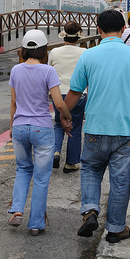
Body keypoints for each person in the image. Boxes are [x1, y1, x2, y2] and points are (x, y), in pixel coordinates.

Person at [66, 9, 130, 244]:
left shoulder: (88, 55)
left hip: (96, 127)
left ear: (99, 29)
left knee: (90, 169)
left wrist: (64, 116)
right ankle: (116, 229)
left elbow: (75, 91)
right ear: (124, 29)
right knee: (120, 180)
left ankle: (90, 211)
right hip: (126, 131)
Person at [8, 29, 72, 236]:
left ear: (24, 49)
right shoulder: (48, 71)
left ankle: (17, 210)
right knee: (42, 177)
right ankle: (35, 223)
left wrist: (12, 127)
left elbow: (13, 102)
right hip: (42, 128)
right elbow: (58, 102)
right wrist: (67, 116)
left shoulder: (16, 70)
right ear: (44, 49)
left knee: (23, 169)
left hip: (19, 127)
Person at [48, 21, 87, 173]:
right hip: (78, 94)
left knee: (58, 124)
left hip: (59, 94)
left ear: (64, 34)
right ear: (78, 36)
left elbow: (49, 70)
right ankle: (71, 162)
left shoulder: (54, 52)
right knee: (75, 127)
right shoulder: (84, 53)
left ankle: (56, 151)